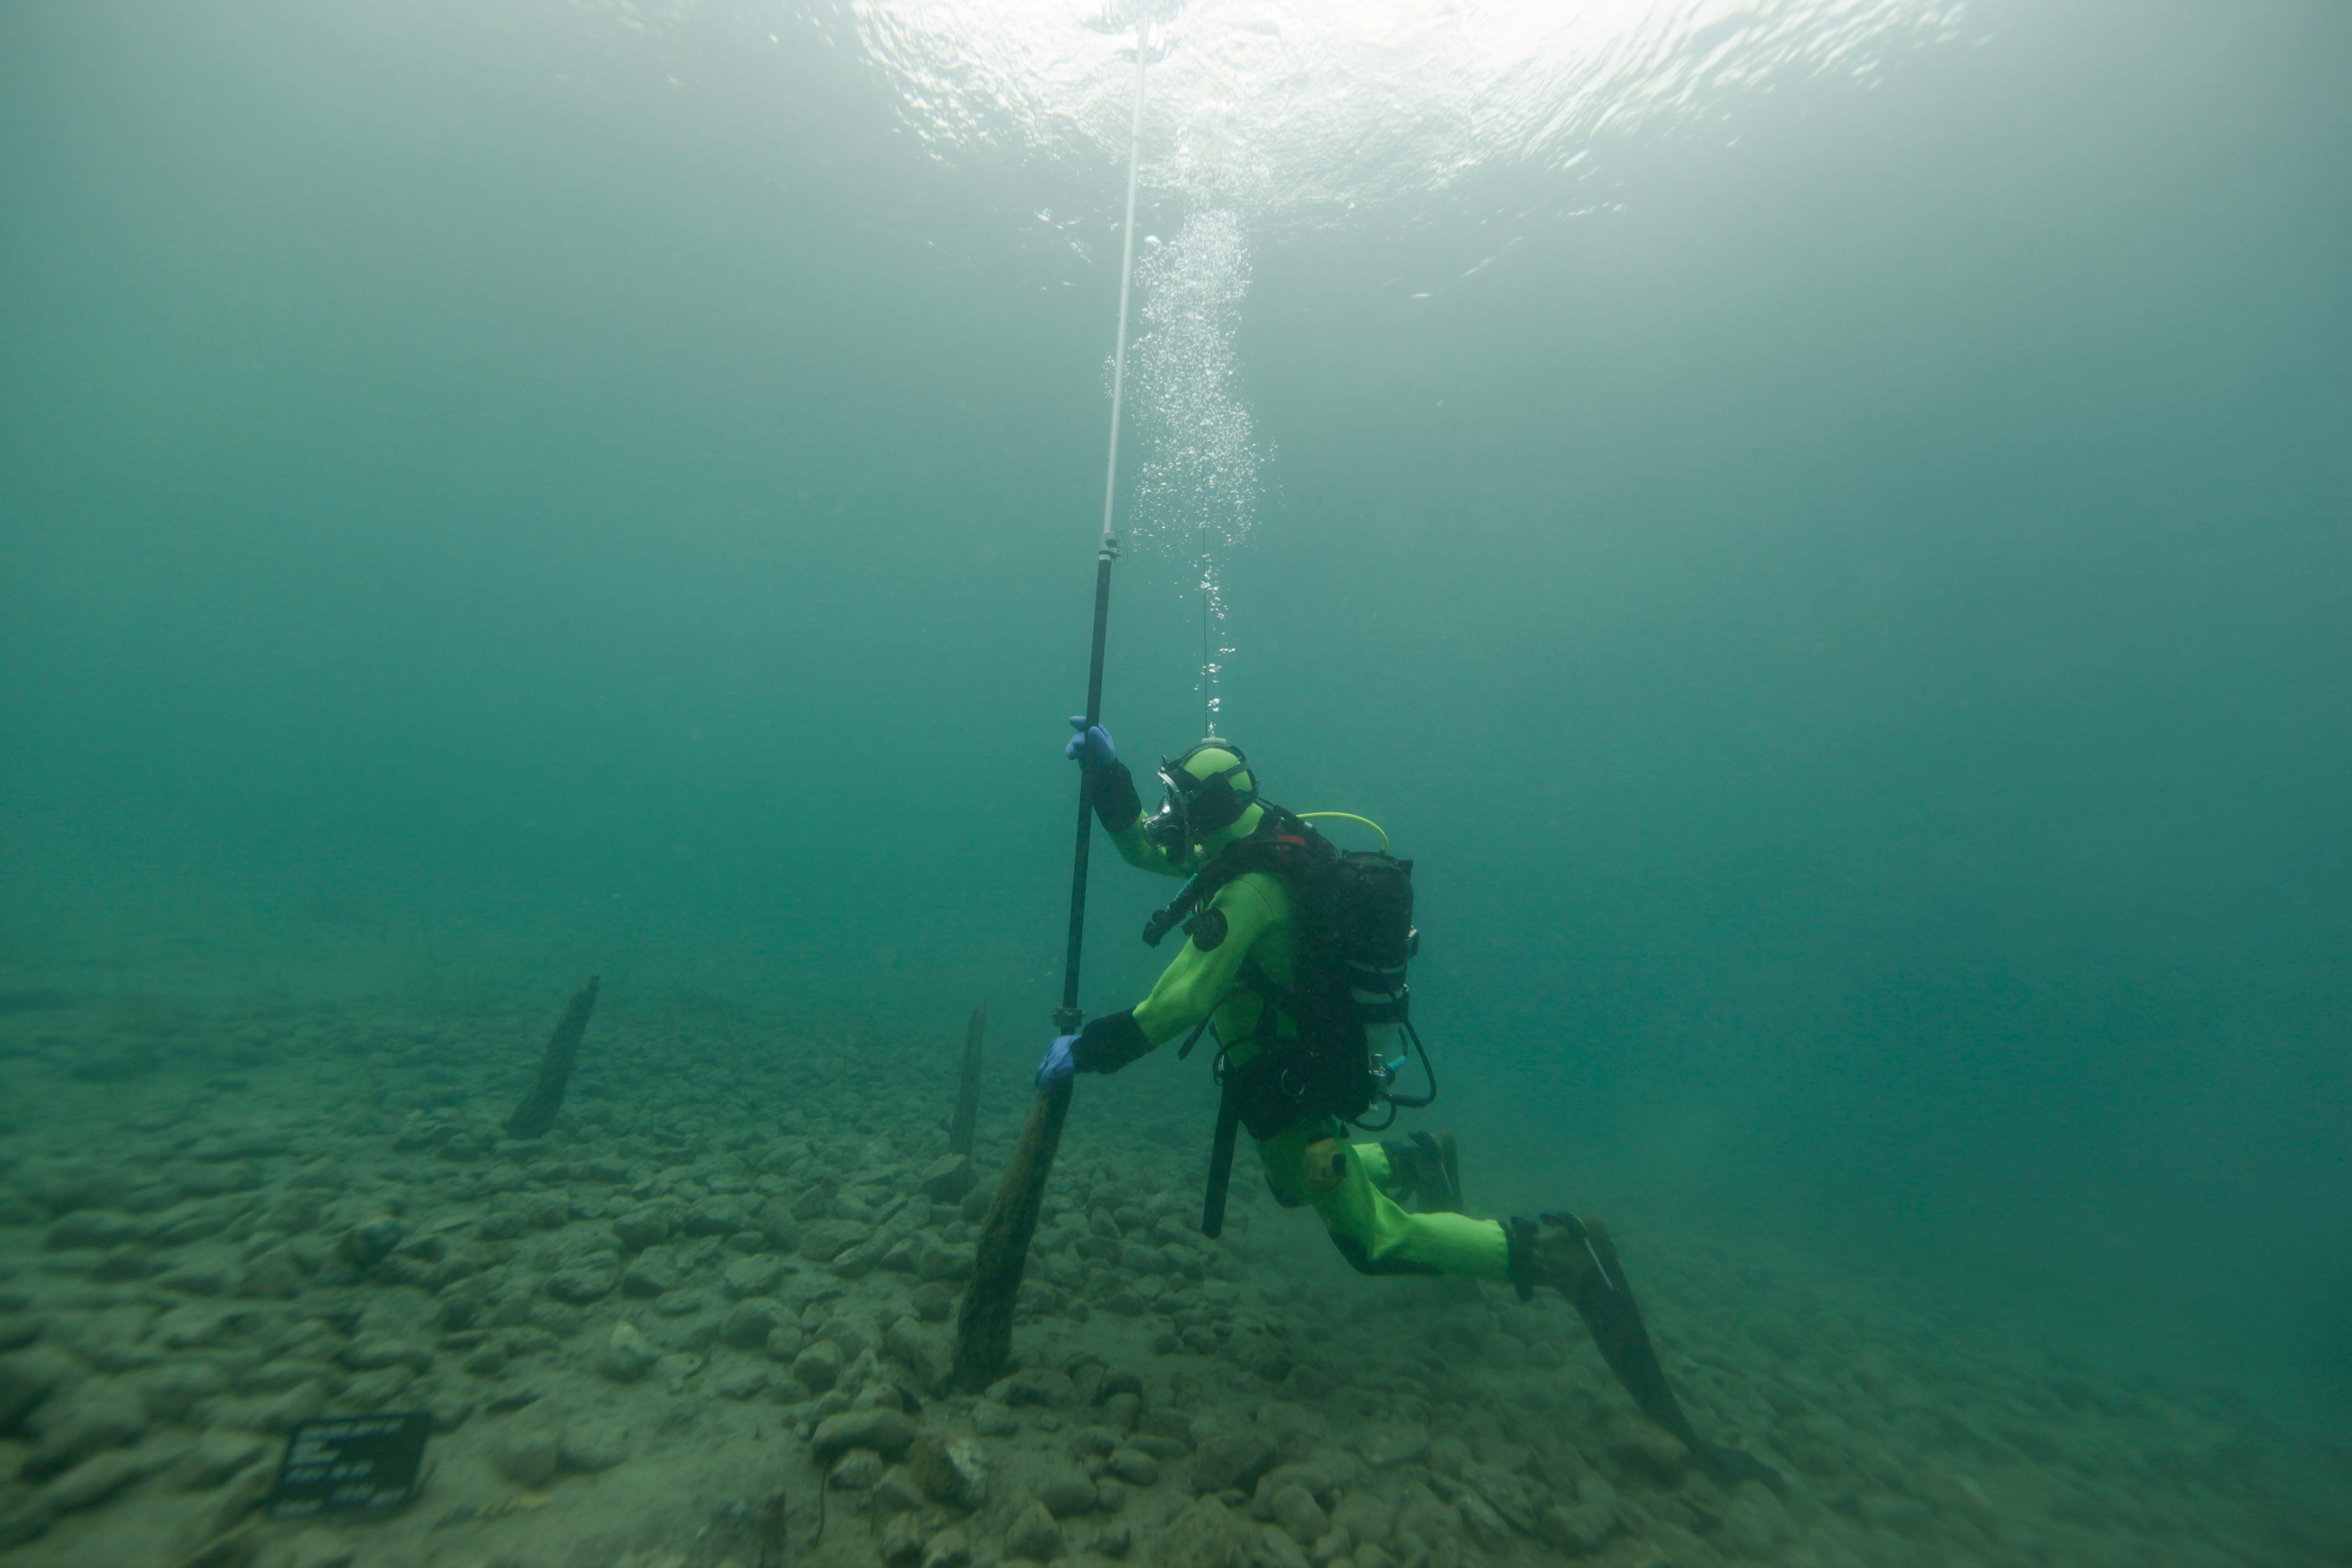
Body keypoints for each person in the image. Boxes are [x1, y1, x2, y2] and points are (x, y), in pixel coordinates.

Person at [1039, 718, 1777, 1489]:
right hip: (1276, 1072)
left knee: (1371, 1242)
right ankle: (1417, 1158)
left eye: (1176, 800)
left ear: (1213, 809)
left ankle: (1552, 1252)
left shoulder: (1251, 886)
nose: (1169, 816)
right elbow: (1147, 849)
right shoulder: (1258, 838)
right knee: (1293, 1183)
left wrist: (1086, 1051)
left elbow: (1179, 1003)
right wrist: (1108, 777)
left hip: (1291, 1075)